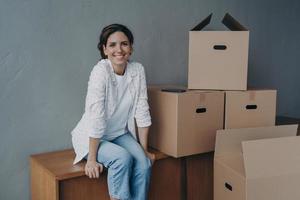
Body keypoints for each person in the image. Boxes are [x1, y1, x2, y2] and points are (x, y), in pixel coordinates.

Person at [71, 24, 155, 200]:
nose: (119, 49)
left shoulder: (137, 70)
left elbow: (142, 110)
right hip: (93, 137)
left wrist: (144, 150)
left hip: (118, 134)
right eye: (112, 45)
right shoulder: (100, 72)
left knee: (144, 163)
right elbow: (96, 117)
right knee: (122, 159)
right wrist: (92, 159)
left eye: (124, 44)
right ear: (104, 49)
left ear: (131, 48)